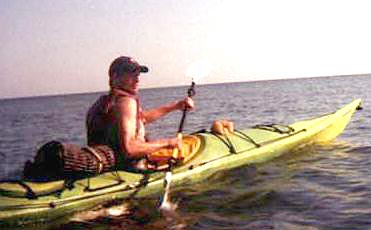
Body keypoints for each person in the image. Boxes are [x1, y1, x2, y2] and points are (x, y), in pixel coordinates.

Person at [86, 56, 195, 171]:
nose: (137, 80)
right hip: (131, 167)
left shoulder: (102, 103)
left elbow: (141, 119)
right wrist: (168, 142)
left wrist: (176, 106)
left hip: (108, 167)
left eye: (137, 75)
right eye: (131, 75)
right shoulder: (126, 102)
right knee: (190, 148)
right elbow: (130, 148)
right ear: (115, 77)